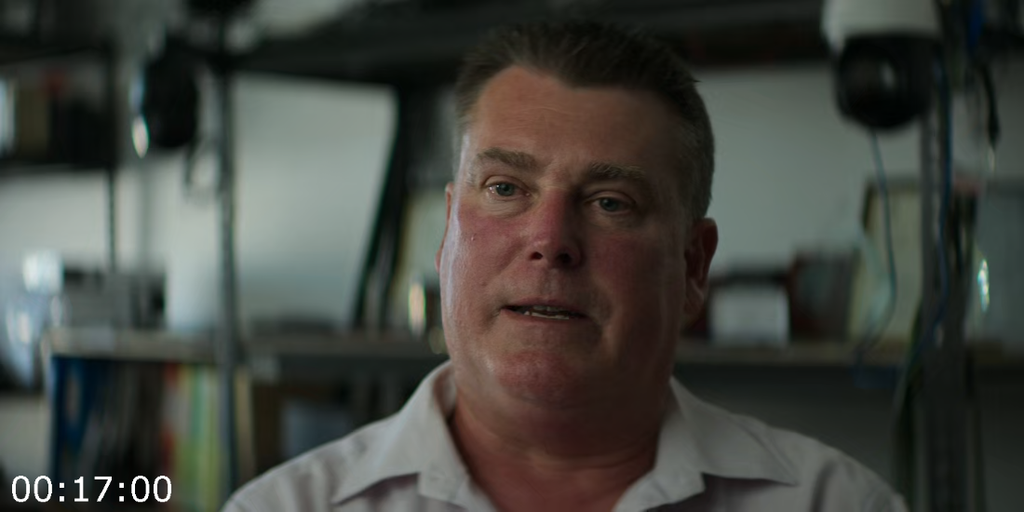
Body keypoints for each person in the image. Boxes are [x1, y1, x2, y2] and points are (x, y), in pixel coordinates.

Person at [223, 20, 905, 512]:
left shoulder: (839, 503)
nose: (550, 240)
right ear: (447, 234)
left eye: (610, 202)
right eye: (505, 188)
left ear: (693, 267)